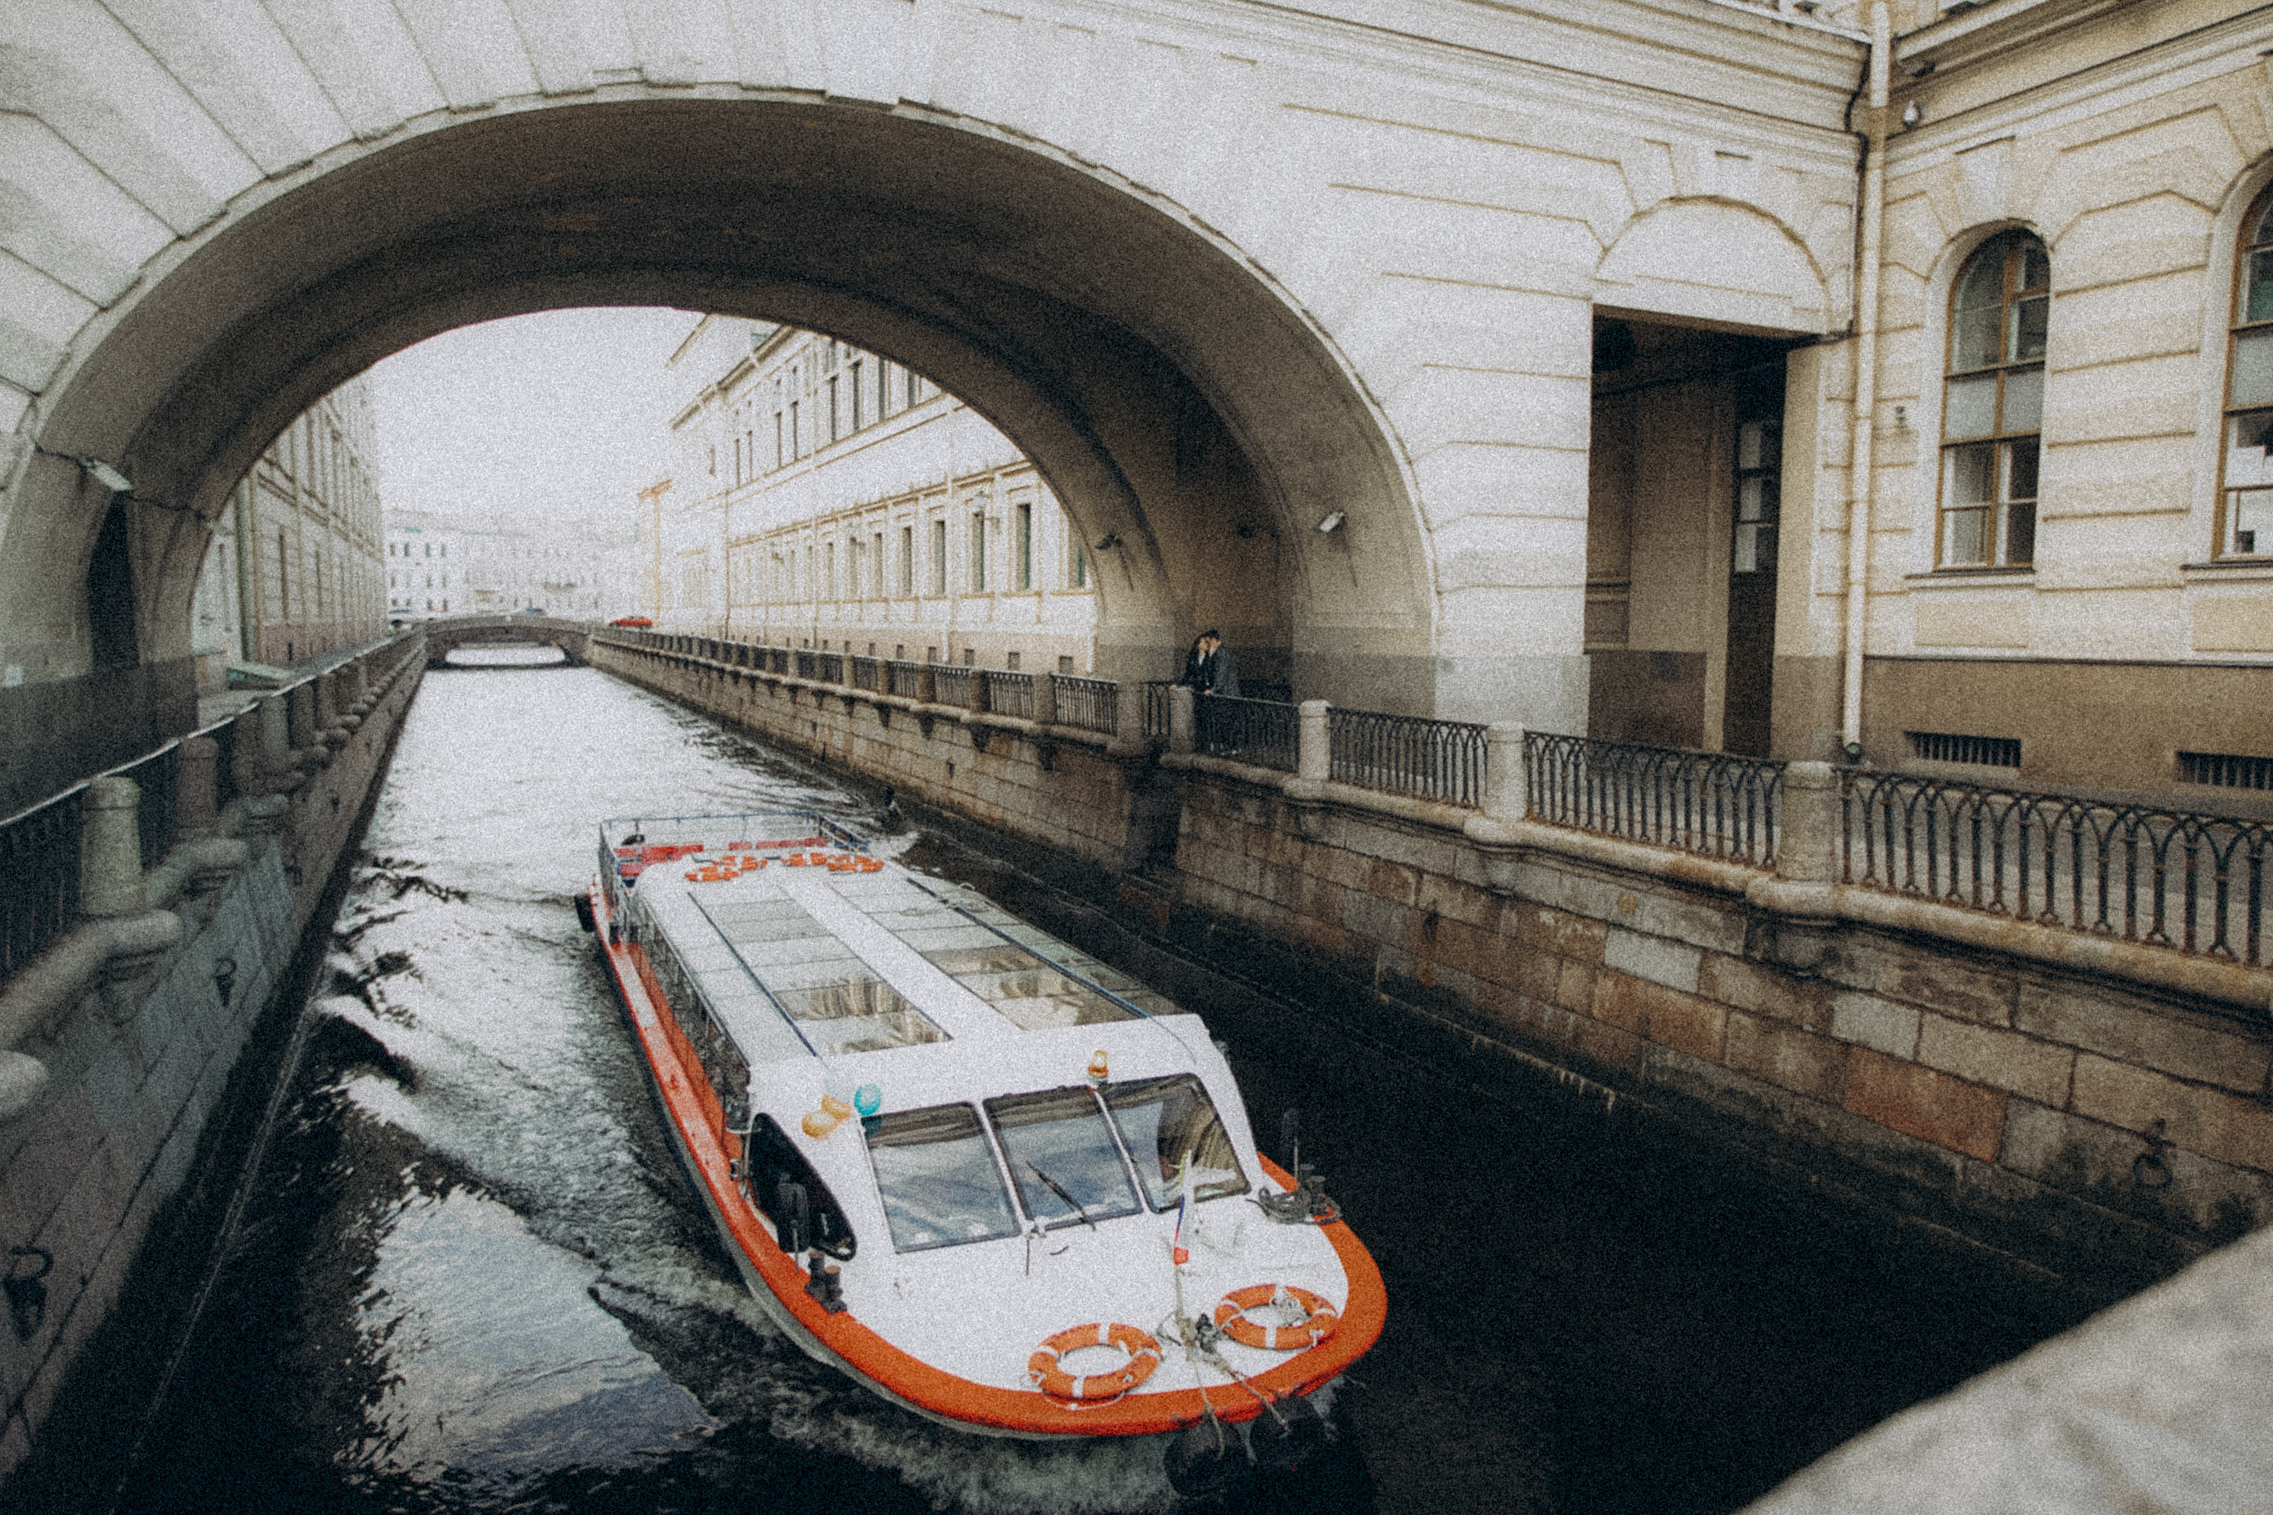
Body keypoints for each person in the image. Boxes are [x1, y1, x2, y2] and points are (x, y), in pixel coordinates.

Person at [1179, 629, 1240, 698]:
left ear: (1213, 640)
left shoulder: (1222, 653)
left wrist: (1212, 690)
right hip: (1222, 692)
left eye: (1208, 641)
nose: (1208, 644)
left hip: (1227, 693)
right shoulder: (1217, 652)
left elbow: (1221, 674)